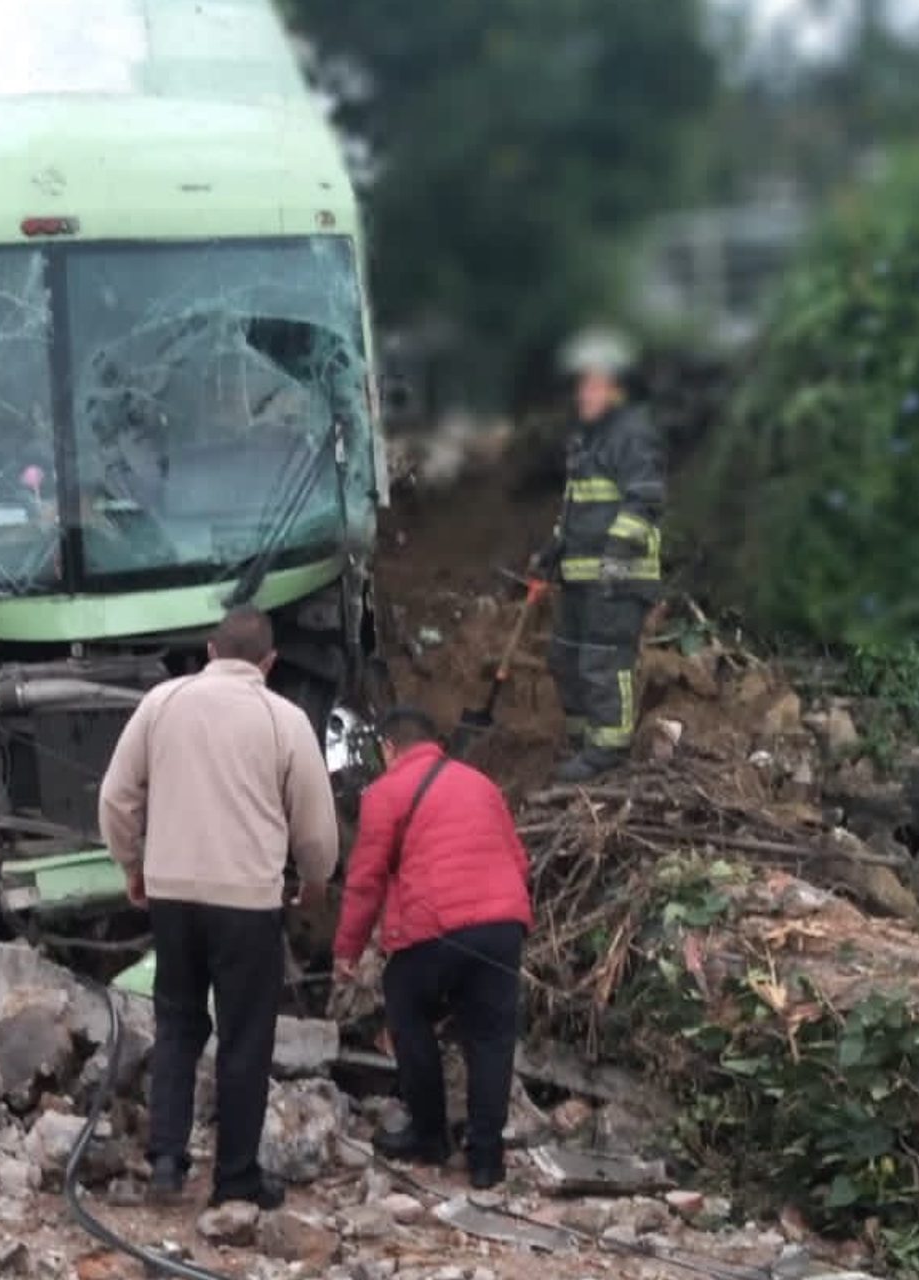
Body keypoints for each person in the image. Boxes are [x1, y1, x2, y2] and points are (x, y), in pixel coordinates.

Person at [98, 605, 339, 1209]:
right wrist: (314, 883)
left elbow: (117, 796)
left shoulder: (162, 704)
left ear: (209, 650)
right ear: (270, 662)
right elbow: (314, 829)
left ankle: (165, 1164)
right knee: (244, 1037)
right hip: (249, 902)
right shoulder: (283, 719)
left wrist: (133, 866)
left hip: (173, 895)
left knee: (177, 1025)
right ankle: (235, 1179)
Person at [332, 708, 532, 1190]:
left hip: (433, 929)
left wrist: (347, 950)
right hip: (501, 926)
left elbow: (365, 881)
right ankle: (486, 1160)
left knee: (408, 1016)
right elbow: (518, 861)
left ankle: (429, 1136)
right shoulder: (480, 783)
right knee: (490, 1038)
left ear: (388, 749)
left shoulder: (385, 793)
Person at [529, 327, 667, 783]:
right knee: (566, 658)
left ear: (616, 388)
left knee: (604, 662)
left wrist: (616, 558)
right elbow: (577, 509)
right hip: (582, 576)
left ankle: (607, 754)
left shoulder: (631, 435)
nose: (583, 393)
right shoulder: (587, 439)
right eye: (581, 384)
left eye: (593, 384)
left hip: (617, 577)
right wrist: (555, 549)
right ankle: (582, 744)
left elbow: (644, 499)